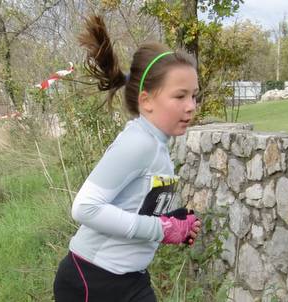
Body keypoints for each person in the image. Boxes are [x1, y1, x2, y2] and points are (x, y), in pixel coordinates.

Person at [53, 15, 201, 302]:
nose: (191, 107)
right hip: (93, 280)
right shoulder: (138, 143)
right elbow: (85, 208)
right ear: (146, 101)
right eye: (180, 96)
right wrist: (161, 228)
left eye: (194, 96)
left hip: (129, 279)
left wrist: (173, 223)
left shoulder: (157, 145)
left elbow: (133, 209)